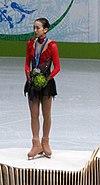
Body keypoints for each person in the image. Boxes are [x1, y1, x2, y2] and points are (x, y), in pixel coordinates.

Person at [24, 18, 61, 160]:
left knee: (46, 115)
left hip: (47, 84)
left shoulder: (52, 45)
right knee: (34, 115)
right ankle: (36, 144)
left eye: (38, 28)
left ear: (45, 29)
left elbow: (57, 67)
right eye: (34, 27)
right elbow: (27, 63)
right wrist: (29, 76)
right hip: (33, 83)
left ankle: (45, 142)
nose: (35, 30)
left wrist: (47, 79)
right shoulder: (30, 44)